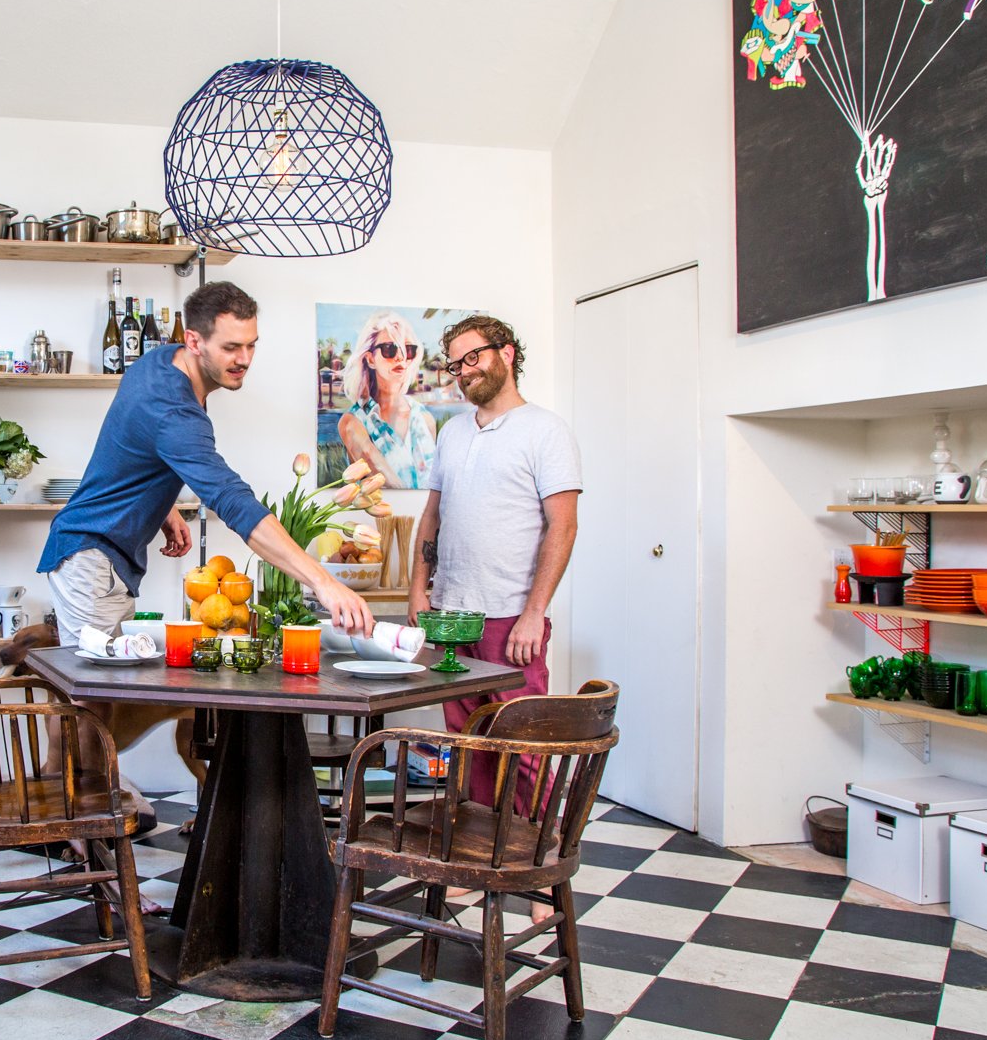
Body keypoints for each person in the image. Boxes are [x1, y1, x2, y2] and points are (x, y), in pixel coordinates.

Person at [40, 281, 375, 640]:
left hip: (100, 556)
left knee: (112, 683)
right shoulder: (174, 411)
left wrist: (161, 503)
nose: (244, 359)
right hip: (90, 557)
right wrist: (324, 583)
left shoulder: (160, 362)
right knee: (95, 691)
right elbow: (234, 502)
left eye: (250, 345)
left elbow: (131, 442)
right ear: (194, 341)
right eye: (231, 347)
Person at [408, 314, 581, 820]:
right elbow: (432, 518)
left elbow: (563, 527)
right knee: (467, 745)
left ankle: (539, 871)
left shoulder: (547, 431)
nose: (463, 371)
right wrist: (419, 591)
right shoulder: (453, 433)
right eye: (455, 364)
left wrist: (535, 612)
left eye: (473, 357)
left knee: (524, 748)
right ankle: (480, 857)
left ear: (506, 353)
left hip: (510, 617)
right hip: (450, 615)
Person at [336, 309, 438, 489]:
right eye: (389, 349)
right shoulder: (353, 423)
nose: (401, 357)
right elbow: (388, 482)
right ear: (370, 359)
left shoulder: (425, 419)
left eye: (409, 350)